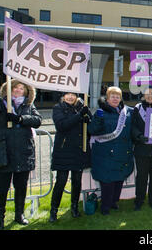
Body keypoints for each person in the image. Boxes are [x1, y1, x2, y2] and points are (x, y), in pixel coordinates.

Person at [0, 79, 42, 230]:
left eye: (21, 88)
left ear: (26, 91)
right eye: (15, 87)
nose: (18, 90)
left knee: (21, 186)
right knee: (1, 188)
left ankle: (19, 214)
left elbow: (37, 120)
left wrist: (20, 119)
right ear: (9, 89)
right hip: (5, 152)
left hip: (23, 153)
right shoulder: (1, 104)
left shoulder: (28, 105)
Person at [88, 86, 134, 215]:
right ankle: (105, 206)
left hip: (122, 151)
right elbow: (92, 130)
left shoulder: (127, 112)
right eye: (112, 96)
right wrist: (97, 119)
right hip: (105, 153)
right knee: (107, 181)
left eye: (117, 96)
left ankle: (114, 202)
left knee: (119, 178)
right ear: (107, 98)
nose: (115, 99)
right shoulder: (101, 112)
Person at [49, 92, 92, 222]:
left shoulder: (82, 107)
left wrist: (88, 120)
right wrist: (79, 116)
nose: (70, 97)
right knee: (61, 181)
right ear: (63, 96)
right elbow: (62, 125)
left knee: (77, 181)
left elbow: (91, 127)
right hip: (64, 150)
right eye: (67, 95)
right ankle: (54, 210)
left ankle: (74, 208)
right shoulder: (58, 108)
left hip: (79, 150)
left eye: (73, 95)